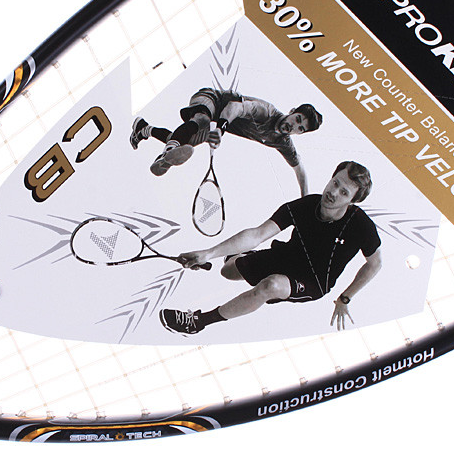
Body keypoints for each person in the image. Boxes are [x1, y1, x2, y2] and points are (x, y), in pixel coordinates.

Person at [159, 161, 381, 335]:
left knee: (270, 286)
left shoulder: (361, 226)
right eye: (335, 183)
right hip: (285, 256)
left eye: (344, 192)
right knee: (227, 272)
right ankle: (238, 256)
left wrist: (345, 297)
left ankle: (199, 321)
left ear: (352, 200)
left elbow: (375, 264)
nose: (334, 192)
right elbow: (258, 234)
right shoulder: (304, 206)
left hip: (313, 280)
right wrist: (208, 253)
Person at [130, 87, 322, 195]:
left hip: (217, 123)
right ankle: (166, 154)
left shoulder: (283, 142)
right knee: (202, 121)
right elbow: (234, 107)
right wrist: (220, 129)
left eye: (300, 128)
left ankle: (144, 128)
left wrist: (304, 201)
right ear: (292, 111)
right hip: (212, 99)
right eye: (297, 119)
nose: (294, 126)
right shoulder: (267, 112)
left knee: (184, 140)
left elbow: (300, 170)